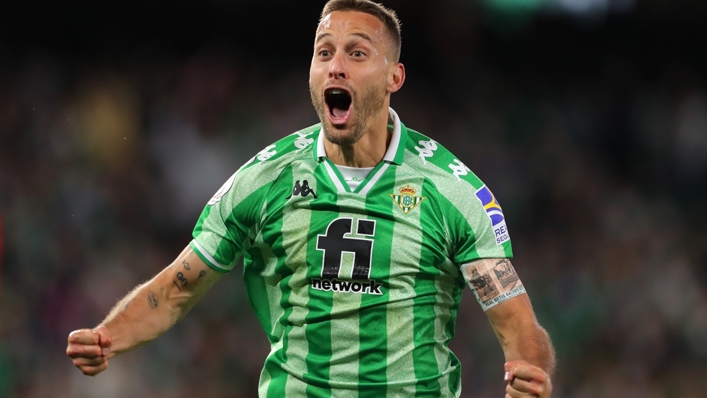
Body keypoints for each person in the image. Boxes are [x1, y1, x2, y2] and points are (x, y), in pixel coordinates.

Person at [66, 0, 556, 396]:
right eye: (324, 53)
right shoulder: (266, 178)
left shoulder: (452, 191)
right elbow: (177, 287)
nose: (336, 66)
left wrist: (531, 373)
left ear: (394, 77)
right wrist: (109, 338)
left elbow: (516, 323)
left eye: (357, 54)